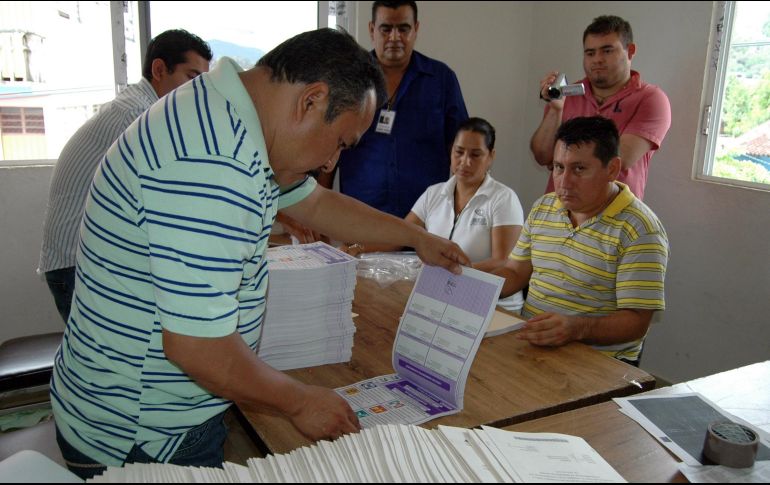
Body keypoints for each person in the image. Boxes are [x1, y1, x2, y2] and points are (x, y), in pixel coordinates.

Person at [50, 28, 469, 479]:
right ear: (311, 101)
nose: (331, 164)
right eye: (341, 143)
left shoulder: (228, 113)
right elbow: (197, 348)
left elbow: (315, 202)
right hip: (141, 435)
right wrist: (300, 401)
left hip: (154, 411)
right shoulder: (211, 163)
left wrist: (415, 237)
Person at [38, 29, 213, 323]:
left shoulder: (142, 108)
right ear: (159, 69)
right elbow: (176, 186)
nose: (198, 91)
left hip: (82, 259)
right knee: (106, 363)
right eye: (191, 77)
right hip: (77, 264)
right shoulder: (136, 115)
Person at [497, 116, 668, 366]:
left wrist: (577, 328)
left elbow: (637, 321)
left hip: (601, 363)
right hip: (533, 344)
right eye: (558, 167)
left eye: (579, 169)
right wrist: (464, 285)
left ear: (612, 169)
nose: (564, 182)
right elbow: (515, 273)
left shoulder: (640, 230)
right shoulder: (544, 207)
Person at [343, 117, 526, 312]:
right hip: (444, 296)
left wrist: (447, 272)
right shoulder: (434, 193)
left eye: (476, 154)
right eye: (459, 152)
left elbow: (503, 261)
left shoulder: (503, 198)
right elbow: (399, 237)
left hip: (494, 304)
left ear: (491, 157)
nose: (465, 161)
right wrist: (356, 247)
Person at [318, 0, 468, 218]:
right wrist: (319, 212)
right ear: (372, 29)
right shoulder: (349, 79)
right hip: (360, 219)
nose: (395, 37)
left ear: (416, 29)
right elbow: (329, 150)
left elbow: (460, 151)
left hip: (426, 221)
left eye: (403, 29)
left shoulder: (442, 80)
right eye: (386, 29)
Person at [530, 15, 671, 200]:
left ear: (630, 51)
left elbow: (619, 159)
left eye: (607, 51)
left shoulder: (651, 99)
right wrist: (555, 110)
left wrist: (561, 158)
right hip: (560, 214)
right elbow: (542, 155)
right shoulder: (566, 94)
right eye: (590, 53)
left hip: (615, 216)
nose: (597, 59)